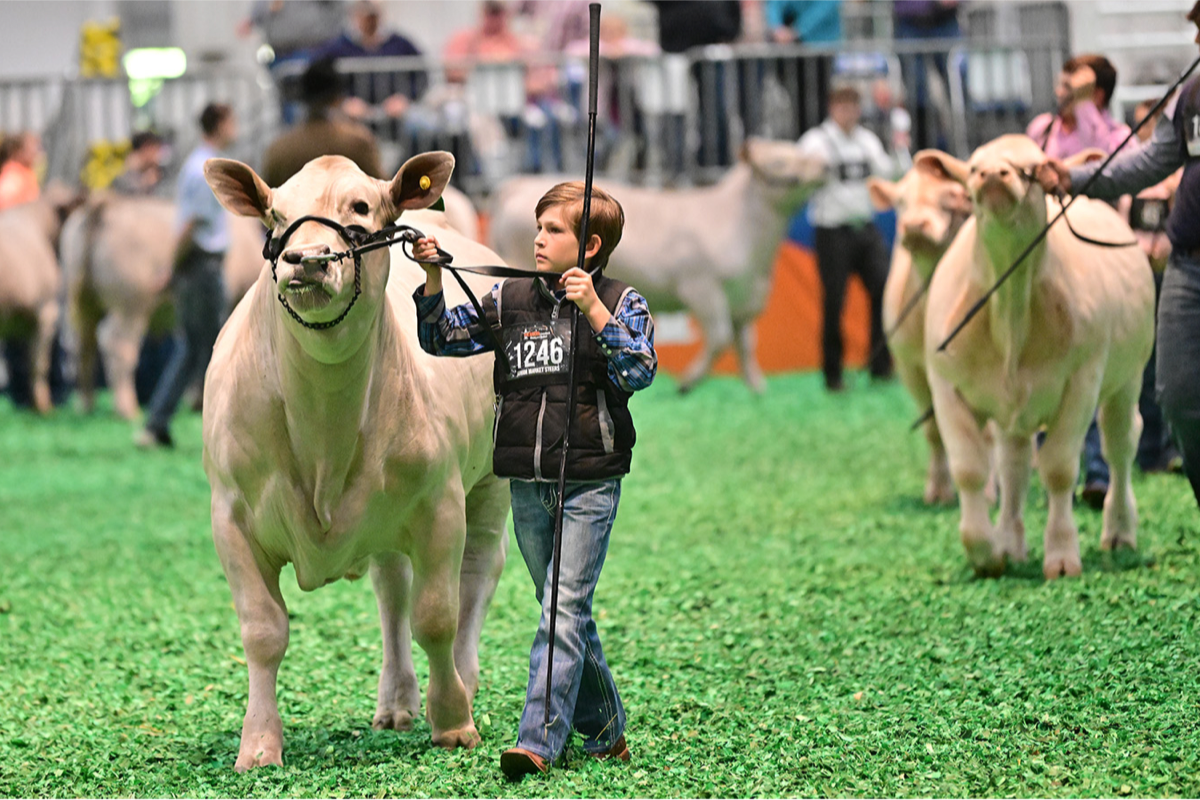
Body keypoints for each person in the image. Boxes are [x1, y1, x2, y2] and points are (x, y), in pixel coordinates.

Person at [410, 182, 656, 781]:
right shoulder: (509, 298)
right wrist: (435, 278)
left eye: (553, 231)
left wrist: (593, 308)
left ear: (590, 246)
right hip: (527, 481)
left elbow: (639, 368)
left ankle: (538, 741)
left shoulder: (622, 301)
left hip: (591, 481)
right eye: (538, 228)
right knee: (562, 609)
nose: (538, 239)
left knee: (561, 609)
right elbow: (439, 337)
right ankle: (604, 732)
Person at [1038, 1, 1200, 508]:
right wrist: (1076, 177)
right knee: (1177, 396)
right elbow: (1153, 160)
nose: (1197, 42)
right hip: (1188, 264)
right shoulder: (1193, 94)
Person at [1028, 54, 1131, 509]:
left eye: (1074, 80)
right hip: (1047, 260)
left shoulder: (1114, 132)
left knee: (1088, 363)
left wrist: (1087, 108)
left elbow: (1116, 168)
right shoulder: (1041, 130)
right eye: (1063, 78)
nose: (1062, 86)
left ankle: (1096, 469)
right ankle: (1048, 466)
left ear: (1098, 90)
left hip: (1098, 258)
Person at [135, 104, 236, 449]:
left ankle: (158, 423)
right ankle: (220, 429)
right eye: (231, 121)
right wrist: (170, 268)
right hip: (201, 268)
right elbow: (191, 225)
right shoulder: (206, 169)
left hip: (195, 268)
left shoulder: (196, 164)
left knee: (192, 349)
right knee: (211, 349)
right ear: (220, 125)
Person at [797, 85, 896, 391]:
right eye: (842, 105)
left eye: (853, 105)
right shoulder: (816, 141)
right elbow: (801, 175)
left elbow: (888, 173)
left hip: (864, 228)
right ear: (831, 107)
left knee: (883, 289)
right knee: (834, 302)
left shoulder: (867, 141)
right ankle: (833, 373)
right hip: (832, 231)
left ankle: (880, 364)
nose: (848, 112)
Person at [1122, 97, 1184, 474]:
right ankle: (1147, 450)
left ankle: (1166, 448)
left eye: (1149, 123)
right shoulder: (1132, 172)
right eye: (1139, 123)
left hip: (1166, 271)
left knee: (1166, 362)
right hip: (1135, 275)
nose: (1143, 130)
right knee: (1141, 366)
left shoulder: (1175, 175)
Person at [310, 0, 428, 146]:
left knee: (423, 130)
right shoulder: (337, 47)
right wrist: (343, 102)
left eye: (373, 14)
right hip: (351, 119)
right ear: (355, 14)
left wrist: (405, 98)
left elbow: (421, 74)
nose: (370, 21)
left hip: (395, 118)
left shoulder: (400, 43)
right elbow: (318, 78)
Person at [262, 57, 383, 187]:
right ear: (338, 98)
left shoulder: (280, 150)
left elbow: (267, 198)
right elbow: (382, 192)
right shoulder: (357, 143)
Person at [239, 0, 347, 123]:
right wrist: (252, 19)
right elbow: (259, 10)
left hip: (311, 51)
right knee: (286, 104)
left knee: (304, 104)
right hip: (279, 53)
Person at [1026, 55, 1130, 160]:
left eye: (1067, 86)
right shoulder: (1042, 128)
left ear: (1097, 95)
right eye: (1059, 84)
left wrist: (1084, 104)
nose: (1059, 92)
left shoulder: (1122, 139)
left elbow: (1100, 163)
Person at [893, 0, 964, 151]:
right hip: (909, 21)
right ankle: (923, 152)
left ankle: (967, 148)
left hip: (946, 20)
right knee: (917, 92)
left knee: (961, 87)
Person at [765, 0, 840, 133]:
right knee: (798, 103)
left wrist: (798, 30)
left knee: (819, 102)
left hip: (821, 47)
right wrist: (777, 28)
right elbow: (775, 4)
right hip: (792, 51)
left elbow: (825, 7)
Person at [110, 130, 169, 196]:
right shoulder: (122, 176)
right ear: (146, 147)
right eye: (156, 148)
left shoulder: (157, 171)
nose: (158, 153)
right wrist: (145, 184)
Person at [0, 131, 43, 210]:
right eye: (32, 146)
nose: (36, 151)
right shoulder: (13, 177)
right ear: (18, 152)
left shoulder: (27, 172)